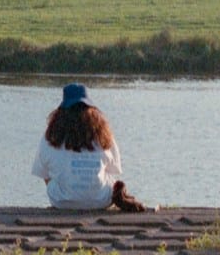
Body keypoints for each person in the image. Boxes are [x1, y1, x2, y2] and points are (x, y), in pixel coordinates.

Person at [29, 83, 153, 212]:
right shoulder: (104, 136)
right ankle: (117, 197)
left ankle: (69, 197)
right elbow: (113, 169)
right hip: (101, 201)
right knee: (109, 178)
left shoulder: (50, 136)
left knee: (51, 176)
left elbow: (43, 173)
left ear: (61, 110)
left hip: (62, 202)